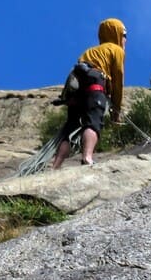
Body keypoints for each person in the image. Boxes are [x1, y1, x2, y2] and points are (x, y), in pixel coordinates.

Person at [53, 18, 127, 168]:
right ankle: (87, 158)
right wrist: (116, 112)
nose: (125, 39)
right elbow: (118, 79)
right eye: (124, 35)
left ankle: (55, 165)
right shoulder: (116, 50)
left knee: (71, 128)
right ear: (117, 33)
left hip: (77, 87)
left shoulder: (90, 51)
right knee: (93, 122)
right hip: (96, 84)